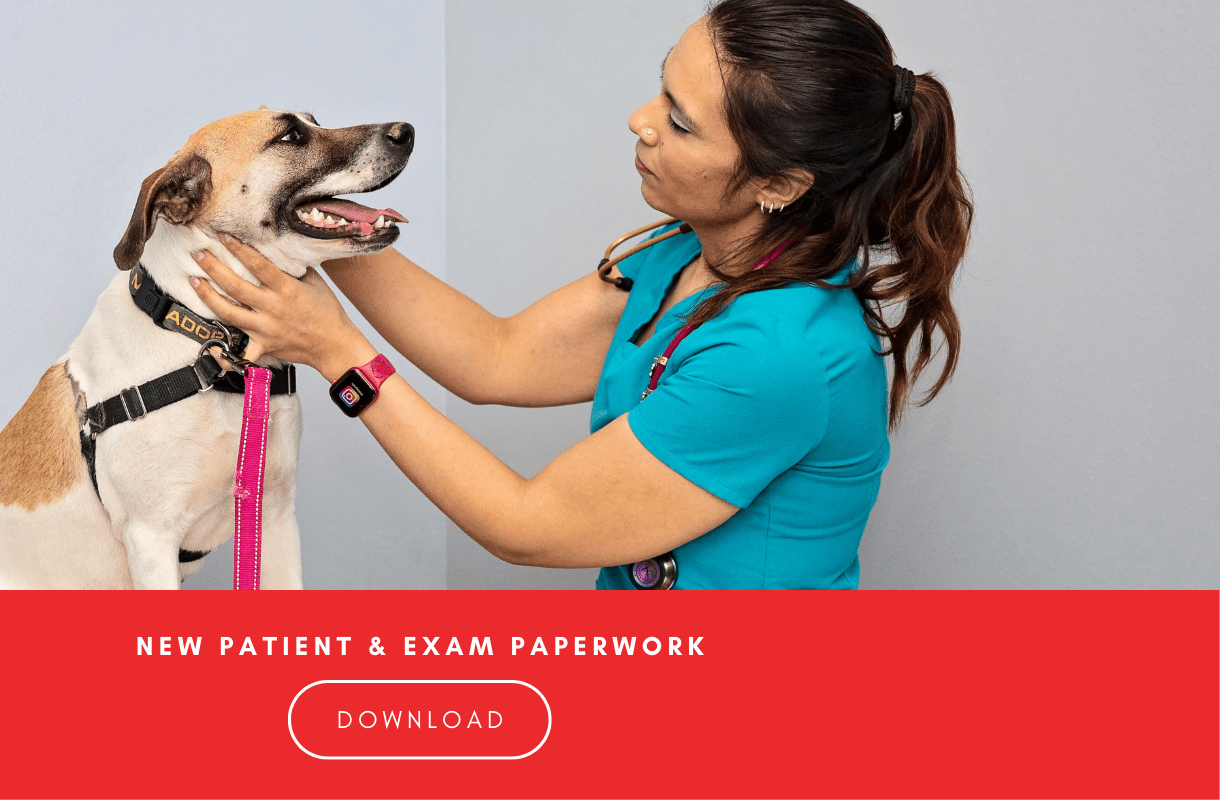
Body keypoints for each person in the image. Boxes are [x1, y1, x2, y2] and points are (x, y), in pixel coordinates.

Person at [189, 0, 972, 589]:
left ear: (779, 183)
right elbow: (497, 359)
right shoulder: (687, 258)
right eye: (658, 88)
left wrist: (337, 351)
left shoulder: (783, 353)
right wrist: (314, 213)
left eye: (681, 122)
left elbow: (527, 525)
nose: (640, 122)